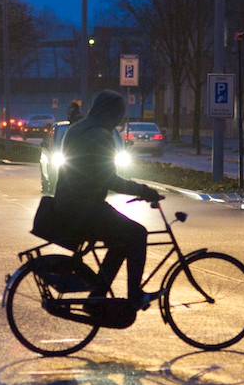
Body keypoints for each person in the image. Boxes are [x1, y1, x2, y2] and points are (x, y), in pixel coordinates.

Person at [52, 89, 163, 306]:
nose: (121, 118)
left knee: (121, 240)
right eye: (119, 113)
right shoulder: (102, 136)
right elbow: (110, 180)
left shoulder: (77, 128)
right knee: (138, 234)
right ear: (111, 113)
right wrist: (144, 190)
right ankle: (134, 295)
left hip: (67, 203)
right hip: (85, 208)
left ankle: (98, 296)